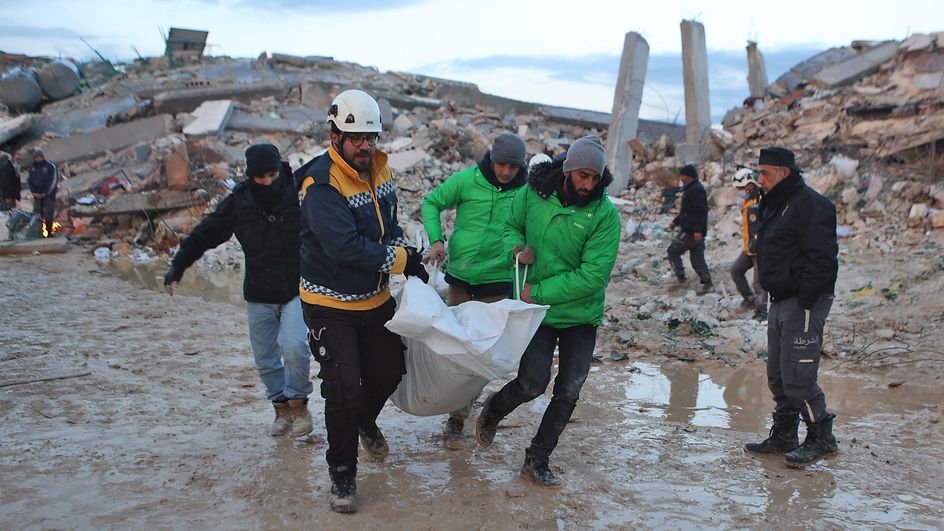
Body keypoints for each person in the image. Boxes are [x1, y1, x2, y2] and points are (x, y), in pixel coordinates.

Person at [295, 89, 428, 513]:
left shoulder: (381, 170)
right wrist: (403, 260)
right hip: (328, 303)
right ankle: (342, 475)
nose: (365, 146)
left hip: (374, 299)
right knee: (342, 389)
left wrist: (408, 253)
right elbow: (346, 248)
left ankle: (365, 423)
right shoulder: (320, 183)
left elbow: (388, 228)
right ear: (335, 137)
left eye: (370, 137)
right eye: (356, 139)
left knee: (390, 370)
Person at [475, 135, 621, 488]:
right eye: (583, 175)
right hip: (537, 312)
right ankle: (492, 411)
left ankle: (537, 459)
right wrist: (517, 248)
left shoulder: (605, 215)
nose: (589, 184)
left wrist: (537, 290)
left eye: (595, 177)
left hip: (580, 315)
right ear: (568, 170)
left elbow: (593, 276)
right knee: (531, 384)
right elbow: (511, 225)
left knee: (569, 390)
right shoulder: (533, 193)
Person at [164, 144, 313, 440]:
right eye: (261, 178)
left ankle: (299, 405)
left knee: (295, 346)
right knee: (266, 358)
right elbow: (205, 234)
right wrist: (177, 267)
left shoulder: (297, 189)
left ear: (278, 169)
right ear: (250, 176)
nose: (268, 182)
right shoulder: (239, 202)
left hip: (296, 288)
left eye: (271, 174)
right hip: (259, 293)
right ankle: (281, 409)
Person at [422, 132, 528, 450]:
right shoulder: (467, 180)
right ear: (491, 159)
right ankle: (440, 400)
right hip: (460, 278)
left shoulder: (525, 192)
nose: (506, 172)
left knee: (479, 354)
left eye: (512, 166)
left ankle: (457, 418)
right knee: (452, 347)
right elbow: (432, 202)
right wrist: (436, 239)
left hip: (497, 281)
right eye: (501, 164)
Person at [745, 146, 839, 468]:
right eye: (759, 172)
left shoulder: (811, 205)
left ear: (784, 173)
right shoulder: (775, 203)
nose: (760, 180)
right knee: (778, 376)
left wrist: (806, 299)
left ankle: (821, 438)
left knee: (798, 377)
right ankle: (784, 434)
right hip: (779, 300)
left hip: (803, 302)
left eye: (765, 173)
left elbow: (823, 258)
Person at [729, 168, 768, 320]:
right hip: (749, 248)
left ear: (750, 186)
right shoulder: (748, 201)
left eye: (740, 188)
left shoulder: (761, 200)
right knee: (735, 271)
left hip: (760, 250)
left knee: (759, 284)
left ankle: (762, 313)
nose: (738, 191)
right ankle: (749, 299)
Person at [666, 164, 712, 293]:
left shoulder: (696, 190)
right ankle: (708, 284)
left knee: (672, 251)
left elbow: (700, 211)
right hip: (693, 230)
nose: (680, 177)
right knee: (697, 259)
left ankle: (681, 280)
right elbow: (686, 211)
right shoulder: (691, 188)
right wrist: (675, 222)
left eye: (681, 175)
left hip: (691, 231)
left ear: (687, 176)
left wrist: (698, 230)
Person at [26, 148, 58, 237]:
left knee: (48, 215)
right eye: (37, 157)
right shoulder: (32, 167)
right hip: (37, 195)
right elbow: (30, 181)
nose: (39, 159)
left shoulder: (50, 166)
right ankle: (38, 234)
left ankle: (49, 233)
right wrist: (33, 192)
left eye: (40, 157)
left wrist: (45, 193)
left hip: (48, 195)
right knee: (37, 215)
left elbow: (53, 181)